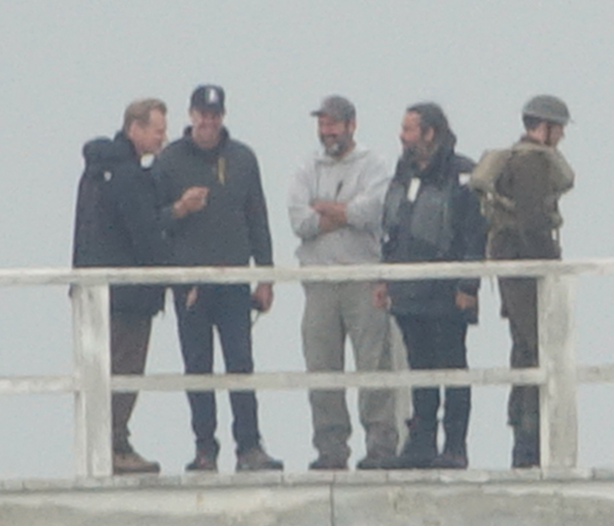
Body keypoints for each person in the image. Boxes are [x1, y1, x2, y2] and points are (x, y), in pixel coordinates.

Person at [150, 85, 284, 472]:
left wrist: (266, 274)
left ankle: (249, 446)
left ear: (222, 116)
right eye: (202, 114)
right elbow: (152, 222)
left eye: (215, 115)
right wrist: (180, 208)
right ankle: (205, 448)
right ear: (190, 115)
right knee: (198, 366)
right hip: (190, 283)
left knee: (241, 362)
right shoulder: (169, 160)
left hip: (234, 280)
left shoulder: (242, 158)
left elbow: (257, 216)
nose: (208, 122)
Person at [73, 98, 208, 475]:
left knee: (101, 370)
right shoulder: (130, 175)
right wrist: (179, 281)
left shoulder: (98, 171)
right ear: (134, 129)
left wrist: (173, 210)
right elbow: (145, 235)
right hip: (128, 296)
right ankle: (114, 445)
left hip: (95, 292)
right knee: (124, 368)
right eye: (157, 129)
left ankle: (101, 443)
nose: (162, 137)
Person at [287, 94, 399, 471]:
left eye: (333, 123)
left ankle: (381, 443)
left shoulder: (374, 163)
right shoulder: (307, 166)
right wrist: (347, 213)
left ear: (352, 124)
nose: (327, 131)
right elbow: (298, 220)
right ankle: (330, 448)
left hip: (363, 276)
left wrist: (329, 209)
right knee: (321, 366)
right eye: (322, 123)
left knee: (373, 363)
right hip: (319, 281)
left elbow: (373, 211)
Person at [379, 102, 487, 468]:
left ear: (430, 133)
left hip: (447, 294)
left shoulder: (463, 174)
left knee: (452, 367)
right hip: (408, 292)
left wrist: (468, 285)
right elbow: (391, 227)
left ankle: (455, 446)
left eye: (409, 129)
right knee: (420, 369)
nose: (402, 136)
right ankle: (421, 442)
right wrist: (385, 276)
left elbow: (476, 234)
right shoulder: (402, 172)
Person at [473, 94, 575, 467]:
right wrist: (551, 265)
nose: (562, 135)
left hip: (514, 260)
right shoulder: (532, 163)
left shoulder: (522, 159)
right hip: (523, 263)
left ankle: (525, 436)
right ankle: (528, 440)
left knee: (526, 347)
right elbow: (533, 222)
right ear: (543, 127)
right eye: (558, 127)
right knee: (535, 347)